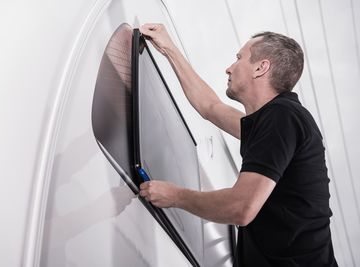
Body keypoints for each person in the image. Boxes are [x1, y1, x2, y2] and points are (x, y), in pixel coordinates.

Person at [138, 23, 337, 266]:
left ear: (260, 67)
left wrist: (175, 196)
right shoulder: (273, 122)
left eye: (238, 58)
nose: (229, 68)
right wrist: (169, 49)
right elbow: (210, 107)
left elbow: (241, 207)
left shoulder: (283, 116)